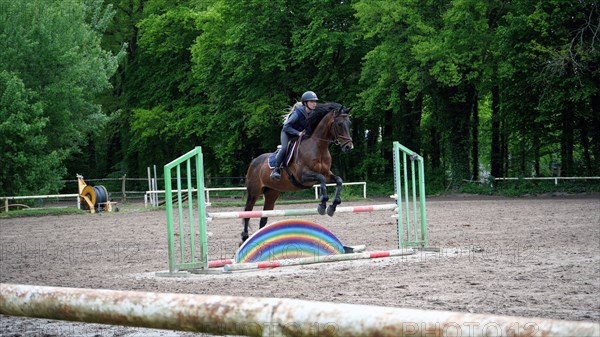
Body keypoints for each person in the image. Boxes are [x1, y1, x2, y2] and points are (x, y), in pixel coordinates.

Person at [270, 91, 319, 181]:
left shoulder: (312, 114)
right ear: (305, 103)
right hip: (287, 133)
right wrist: (298, 133)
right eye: (311, 101)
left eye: (315, 101)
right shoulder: (298, 113)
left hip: (300, 135)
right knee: (284, 148)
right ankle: (276, 170)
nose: (314, 103)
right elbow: (286, 127)